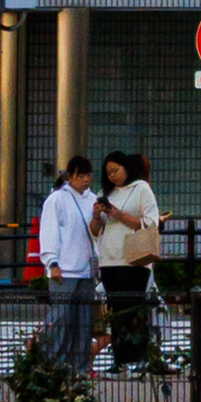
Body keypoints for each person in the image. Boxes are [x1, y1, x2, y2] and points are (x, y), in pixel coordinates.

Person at [93, 146, 164, 377]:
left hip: (134, 260)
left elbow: (151, 222)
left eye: (116, 170)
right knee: (116, 312)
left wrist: (119, 215)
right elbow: (95, 231)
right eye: (109, 172)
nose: (112, 175)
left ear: (126, 168)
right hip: (109, 260)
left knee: (133, 310)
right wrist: (97, 214)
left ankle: (137, 360)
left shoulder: (141, 188)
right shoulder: (106, 193)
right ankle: (119, 361)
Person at [34, 153, 101, 373]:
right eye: (81, 175)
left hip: (86, 269)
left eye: (88, 175)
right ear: (70, 176)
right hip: (63, 268)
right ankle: (53, 362)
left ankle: (79, 367)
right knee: (61, 318)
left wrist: (98, 216)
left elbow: (95, 232)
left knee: (83, 322)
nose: (85, 179)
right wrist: (52, 261)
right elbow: (49, 231)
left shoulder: (92, 199)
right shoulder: (57, 199)